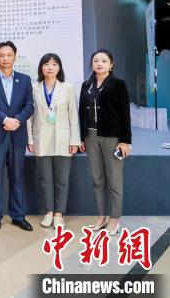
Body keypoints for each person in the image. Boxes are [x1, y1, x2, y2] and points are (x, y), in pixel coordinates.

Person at [0, 41, 35, 231]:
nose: (5, 58)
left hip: (17, 135)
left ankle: (18, 216)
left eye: (9, 55)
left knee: (17, 177)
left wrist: (16, 120)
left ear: (15, 57)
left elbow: (29, 106)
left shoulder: (25, 80)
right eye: (1, 55)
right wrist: (4, 119)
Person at [79, 49, 131, 236]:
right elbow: (81, 113)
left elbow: (125, 114)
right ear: (92, 64)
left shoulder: (118, 84)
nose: (99, 64)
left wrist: (125, 141)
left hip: (112, 137)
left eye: (103, 61)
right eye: (96, 61)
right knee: (97, 180)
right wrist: (81, 137)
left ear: (111, 64)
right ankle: (101, 217)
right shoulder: (86, 85)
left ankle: (114, 219)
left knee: (114, 181)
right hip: (90, 137)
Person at [26, 53, 81, 230]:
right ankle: (49, 212)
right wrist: (30, 139)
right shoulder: (34, 88)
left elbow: (73, 116)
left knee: (62, 180)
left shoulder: (68, 88)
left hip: (63, 139)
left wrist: (75, 140)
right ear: (41, 67)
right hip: (41, 138)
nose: (50, 67)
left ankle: (59, 214)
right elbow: (29, 116)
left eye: (54, 64)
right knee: (45, 178)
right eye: (46, 64)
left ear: (59, 68)